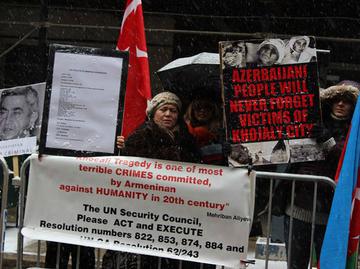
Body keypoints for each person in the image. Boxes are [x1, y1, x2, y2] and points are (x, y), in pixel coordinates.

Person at [102, 91, 202, 269]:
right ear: (153, 112)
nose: (168, 114)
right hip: (146, 212)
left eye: (173, 110)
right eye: (163, 109)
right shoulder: (139, 136)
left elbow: (197, 166)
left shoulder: (187, 139)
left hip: (177, 212)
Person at [281, 83, 359, 269]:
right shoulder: (310, 122)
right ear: (329, 102)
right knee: (295, 264)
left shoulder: (354, 133)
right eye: (336, 100)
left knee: (328, 265)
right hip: (297, 208)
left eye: (347, 101)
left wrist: (328, 142)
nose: (340, 104)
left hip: (331, 214)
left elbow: (349, 161)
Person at [184, 96, 226, 165]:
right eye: (198, 107)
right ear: (191, 110)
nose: (202, 110)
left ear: (213, 110)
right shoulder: (184, 131)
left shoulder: (223, 131)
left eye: (207, 107)